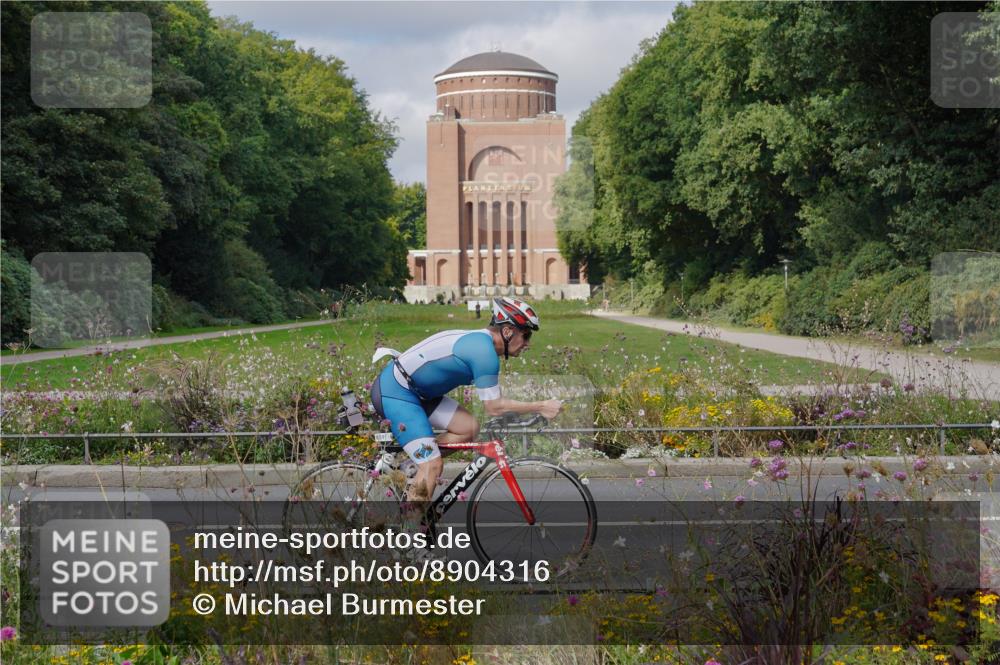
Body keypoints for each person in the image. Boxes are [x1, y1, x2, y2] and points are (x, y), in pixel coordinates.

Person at [369, 297, 561, 505]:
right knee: (433, 465)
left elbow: (495, 401)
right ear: (507, 331)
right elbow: (494, 406)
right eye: (526, 335)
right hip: (396, 392)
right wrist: (540, 406)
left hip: (419, 393)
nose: (527, 344)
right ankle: (411, 531)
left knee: (468, 427)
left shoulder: (484, 345)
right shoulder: (483, 352)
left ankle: (409, 467)